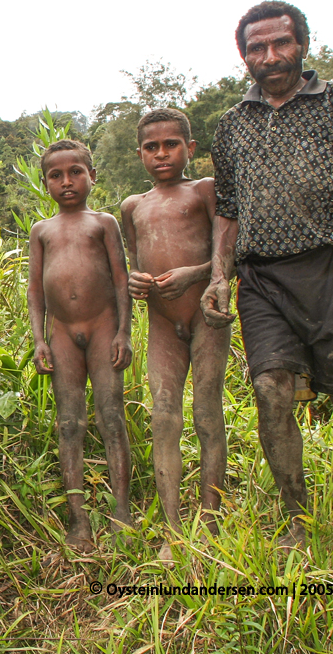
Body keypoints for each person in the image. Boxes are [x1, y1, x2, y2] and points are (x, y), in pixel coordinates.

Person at [202, 0, 333, 548]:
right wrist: (219, 276)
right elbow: (229, 207)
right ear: (243, 55)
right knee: (270, 389)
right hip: (262, 279)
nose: (270, 56)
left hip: (331, 266)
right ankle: (299, 518)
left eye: (281, 43)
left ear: (303, 43)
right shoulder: (232, 125)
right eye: (256, 48)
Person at [121, 108, 229, 561]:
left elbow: (228, 254)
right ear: (140, 153)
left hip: (206, 317)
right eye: (151, 147)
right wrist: (134, 280)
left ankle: (210, 518)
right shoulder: (132, 206)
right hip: (163, 324)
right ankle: (172, 531)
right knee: (163, 419)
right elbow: (132, 260)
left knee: (207, 414)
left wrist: (196, 274)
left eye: (171, 144)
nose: (161, 154)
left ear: (191, 148)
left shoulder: (205, 191)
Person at [28, 139, 134, 552]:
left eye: (75, 172)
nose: (67, 182)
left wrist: (124, 332)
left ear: (93, 176)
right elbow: (36, 291)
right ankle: (78, 522)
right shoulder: (42, 231)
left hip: (104, 328)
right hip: (61, 336)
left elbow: (122, 281)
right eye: (56, 175)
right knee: (69, 423)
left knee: (112, 416)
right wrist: (39, 339)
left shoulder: (103, 223)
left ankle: (121, 513)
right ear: (46, 183)